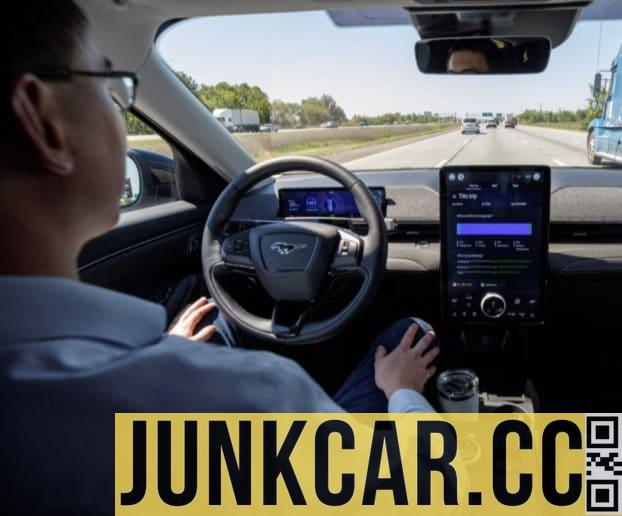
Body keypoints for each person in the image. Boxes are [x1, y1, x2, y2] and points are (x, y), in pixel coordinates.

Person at [0, 2, 438, 512]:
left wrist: (162, 354)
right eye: (114, 92)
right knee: (407, 332)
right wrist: (401, 394)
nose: (119, 115)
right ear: (44, 119)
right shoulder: (250, 397)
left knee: (224, 326)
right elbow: (423, 482)